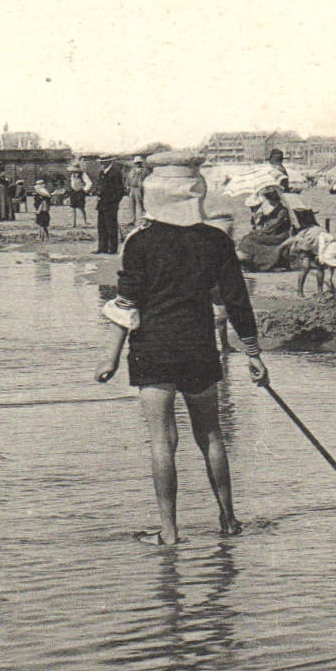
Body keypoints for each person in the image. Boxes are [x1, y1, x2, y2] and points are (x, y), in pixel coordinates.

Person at [95, 153, 268, 546]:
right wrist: (254, 354)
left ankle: (169, 532)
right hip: (199, 346)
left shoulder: (139, 241)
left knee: (162, 441)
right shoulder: (216, 241)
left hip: (152, 347)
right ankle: (228, 521)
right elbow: (237, 300)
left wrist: (109, 358)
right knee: (210, 436)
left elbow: (127, 305)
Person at [236, 185, 293, 270]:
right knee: (248, 238)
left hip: (279, 236)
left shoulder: (282, 211)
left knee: (250, 239)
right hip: (273, 233)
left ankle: (263, 263)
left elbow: (271, 227)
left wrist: (255, 232)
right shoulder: (275, 210)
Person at [94, 156, 127, 254]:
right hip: (101, 203)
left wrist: (114, 201)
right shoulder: (102, 173)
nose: (102, 164)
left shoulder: (115, 173)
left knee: (111, 226)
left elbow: (120, 190)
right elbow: (100, 187)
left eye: (104, 162)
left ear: (109, 162)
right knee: (101, 226)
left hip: (111, 204)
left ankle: (112, 249)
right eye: (101, 162)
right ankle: (102, 248)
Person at [67, 161, 90, 226]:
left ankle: (84, 222)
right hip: (73, 192)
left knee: (81, 207)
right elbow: (72, 183)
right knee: (73, 208)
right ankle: (73, 223)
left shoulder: (83, 175)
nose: (74, 172)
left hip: (80, 192)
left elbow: (89, 183)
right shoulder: (72, 175)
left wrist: (84, 190)